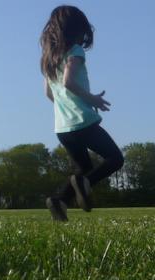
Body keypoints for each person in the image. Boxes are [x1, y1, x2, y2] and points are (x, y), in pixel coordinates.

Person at [41, 6, 124, 221]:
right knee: (115, 158)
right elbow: (68, 82)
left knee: (83, 168)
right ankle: (85, 184)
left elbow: (48, 93)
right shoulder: (75, 51)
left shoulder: (48, 59)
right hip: (82, 121)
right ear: (76, 30)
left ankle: (59, 200)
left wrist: (65, 108)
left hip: (62, 127)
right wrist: (91, 99)